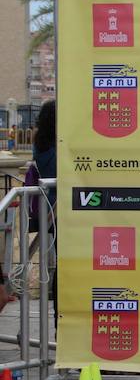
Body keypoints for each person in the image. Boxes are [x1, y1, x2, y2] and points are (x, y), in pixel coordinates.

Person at [32, 100, 56, 325]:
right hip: (63, 208)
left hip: (49, 210)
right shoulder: (59, 144)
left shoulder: (40, 142)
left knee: (62, 262)